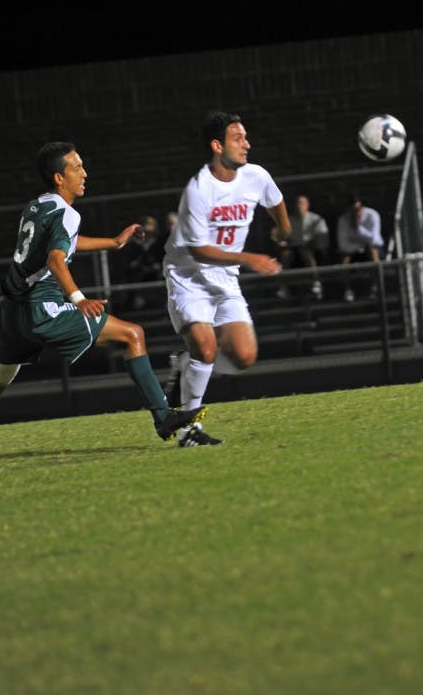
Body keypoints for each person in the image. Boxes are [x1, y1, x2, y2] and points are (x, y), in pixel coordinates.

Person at [0, 142, 203, 440]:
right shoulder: (67, 214)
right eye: (76, 167)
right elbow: (56, 259)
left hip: (11, 313)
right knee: (133, 335)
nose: (84, 173)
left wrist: (114, 242)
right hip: (42, 308)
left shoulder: (35, 205)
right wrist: (79, 299)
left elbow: (62, 243)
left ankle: (164, 418)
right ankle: (163, 418)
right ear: (59, 177)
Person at [162, 110, 291, 448]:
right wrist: (250, 258)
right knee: (206, 347)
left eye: (246, 137)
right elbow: (201, 251)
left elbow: (275, 201)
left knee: (244, 357)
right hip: (188, 274)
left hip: (225, 277)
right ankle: (190, 430)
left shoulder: (256, 176)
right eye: (239, 138)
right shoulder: (199, 189)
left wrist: (284, 229)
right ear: (217, 146)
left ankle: (184, 363)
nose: (247, 144)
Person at [274, 193, 329, 299]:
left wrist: (311, 244)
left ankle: (316, 282)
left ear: (307, 205)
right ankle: (283, 287)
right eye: (297, 203)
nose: (299, 206)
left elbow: (322, 240)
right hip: (293, 250)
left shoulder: (317, 219)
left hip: (311, 250)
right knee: (285, 255)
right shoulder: (288, 220)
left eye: (302, 203)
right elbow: (281, 236)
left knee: (306, 253)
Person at [336, 192, 385, 301]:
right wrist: (358, 246)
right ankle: (348, 290)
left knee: (372, 250)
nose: (354, 213)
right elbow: (342, 244)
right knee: (344, 259)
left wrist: (358, 227)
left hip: (373, 249)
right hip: (353, 252)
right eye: (352, 210)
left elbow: (374, 239)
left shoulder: (372, 215)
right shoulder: (343, 219)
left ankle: (375, 286)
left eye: (357, 210)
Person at [119, 213, 165, 311]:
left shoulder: (159, 243)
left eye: (150, 225)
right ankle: (135, 304)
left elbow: (161, 258)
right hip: (139, 275)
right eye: (144, 224)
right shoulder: (134, 244)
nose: (147, 228)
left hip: (156, 274)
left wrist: (155, 265)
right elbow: (130, 262)